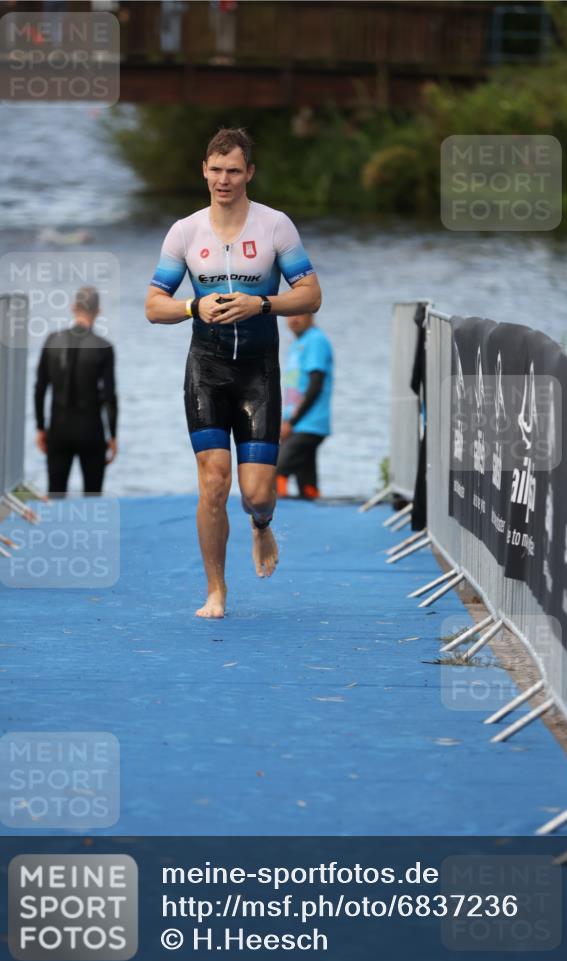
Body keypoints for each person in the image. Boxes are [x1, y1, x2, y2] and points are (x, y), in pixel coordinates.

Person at [145, 127, 321, 619]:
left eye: (234, 171)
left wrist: (261, 302)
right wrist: (191, 308)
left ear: (249, 174)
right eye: (216, 170)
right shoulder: (185, 231)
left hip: (258, 373)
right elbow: (153, 306)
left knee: (257, 494)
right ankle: (216, 591)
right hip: (207, 369)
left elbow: (311, 295)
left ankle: (261, 526)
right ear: (204, 170)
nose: (224, 180)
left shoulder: (274, 227)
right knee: (214, 482)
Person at [34, 287, 118, 497]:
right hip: (91, 430)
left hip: (58, 428)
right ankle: (89, 529)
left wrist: (40, 427)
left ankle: (55, 529)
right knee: (92, 496)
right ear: (98, 311)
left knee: (56, 493)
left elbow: (40, 388)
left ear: (73, 308)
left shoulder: (52, 341)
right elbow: (109, 396)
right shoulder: (103, 347)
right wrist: (113, 435)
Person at [278, 314, 333, 500]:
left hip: (308, 423)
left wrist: (291, 422)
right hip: (297, 422)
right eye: (289, 314)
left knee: (275, 471)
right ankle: (313, 499)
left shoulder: (315, 340)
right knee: (306, 481)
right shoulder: (298, 344)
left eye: (299, 313)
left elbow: (315, 385)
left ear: (311, 314)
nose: (293, 319)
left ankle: (276, 516)